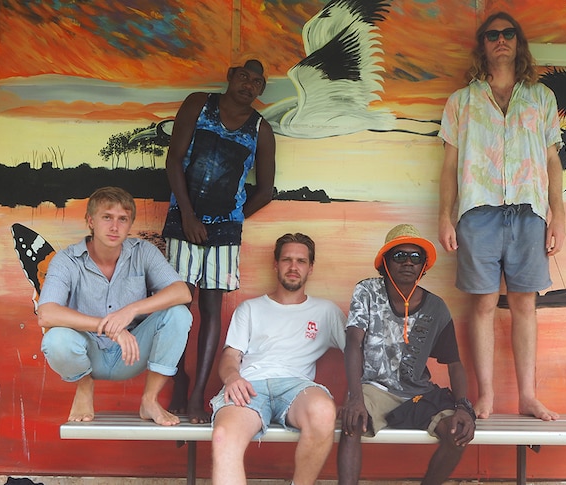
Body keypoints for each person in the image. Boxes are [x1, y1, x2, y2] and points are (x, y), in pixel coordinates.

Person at [438, 11, 565, 421]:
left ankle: (528, 396)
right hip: (479, 212)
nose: (501, 40)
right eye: (492, 35)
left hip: (529, 212)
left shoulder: (541, 98)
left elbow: (552, 161)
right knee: (483, 305)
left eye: (508, 33)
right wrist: (445, 215)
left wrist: (558, 216)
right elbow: (449, 165)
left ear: (518, 41)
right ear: (483, 44)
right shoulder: (461, 101)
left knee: (526, 304)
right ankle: (486, 396)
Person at [163, 58, 276, 423]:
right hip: (185, 221)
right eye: (244, 76)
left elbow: (266, 190)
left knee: (212, 310)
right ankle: (178, 378)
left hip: (224, 233)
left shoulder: (262, 129)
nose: (248, 84)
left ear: (260, 89)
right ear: (230, 77)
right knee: (178, 307)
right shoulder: (199, 104)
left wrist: (232, 218)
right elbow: (174, 161)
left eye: (257, 82)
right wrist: (190, 216)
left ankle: (198, 393)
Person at [38, 186, 193, 426]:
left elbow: (182, 292)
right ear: (90, 221)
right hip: (88, 354)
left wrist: (130, 310)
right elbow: (46, 313)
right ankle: (84, 385)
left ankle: (149, 400)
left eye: (123, 219)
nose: (115, 227)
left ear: (130, 224)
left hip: (131, 353)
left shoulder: (143, 252)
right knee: (55, 339)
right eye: (107, 217)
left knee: (179, 314)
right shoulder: (67, 259)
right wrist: (108, 326)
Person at [338, 224, 476, 485]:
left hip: (418, 394)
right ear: (385, 263)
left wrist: (462, 406)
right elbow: (353, 343)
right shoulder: (367, 291)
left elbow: (454, 363)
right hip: (374, 389)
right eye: (399, 256)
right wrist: (354, 397)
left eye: (416, 257)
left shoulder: (436, 307)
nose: (408, 262)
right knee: (352, 423)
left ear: (423, 265)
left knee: (457, 434)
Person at [210, 233, 345, 484]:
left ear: (311, 268)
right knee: (222, 436)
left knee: (324, 411)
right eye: (287, 260)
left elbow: (356, 352)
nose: (294, 267)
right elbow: (230, 355)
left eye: (301, 261)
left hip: (297, 386)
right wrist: (232, 377)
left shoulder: (326, 311)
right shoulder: (250, 308)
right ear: (276, 264)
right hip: (250, 385)